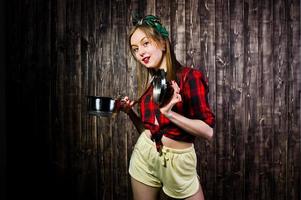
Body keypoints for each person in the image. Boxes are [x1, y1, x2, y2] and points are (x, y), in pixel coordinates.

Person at [120, 15, 215, 200]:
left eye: (145, 43)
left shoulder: (190, 77)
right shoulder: (151, 87)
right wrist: (129, 112)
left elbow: (208, 132)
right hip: (145, 156)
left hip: (179, 163)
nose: (140, 52)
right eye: (135, 49)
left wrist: (170, 113)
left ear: (163, 43)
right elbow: (148, 131)